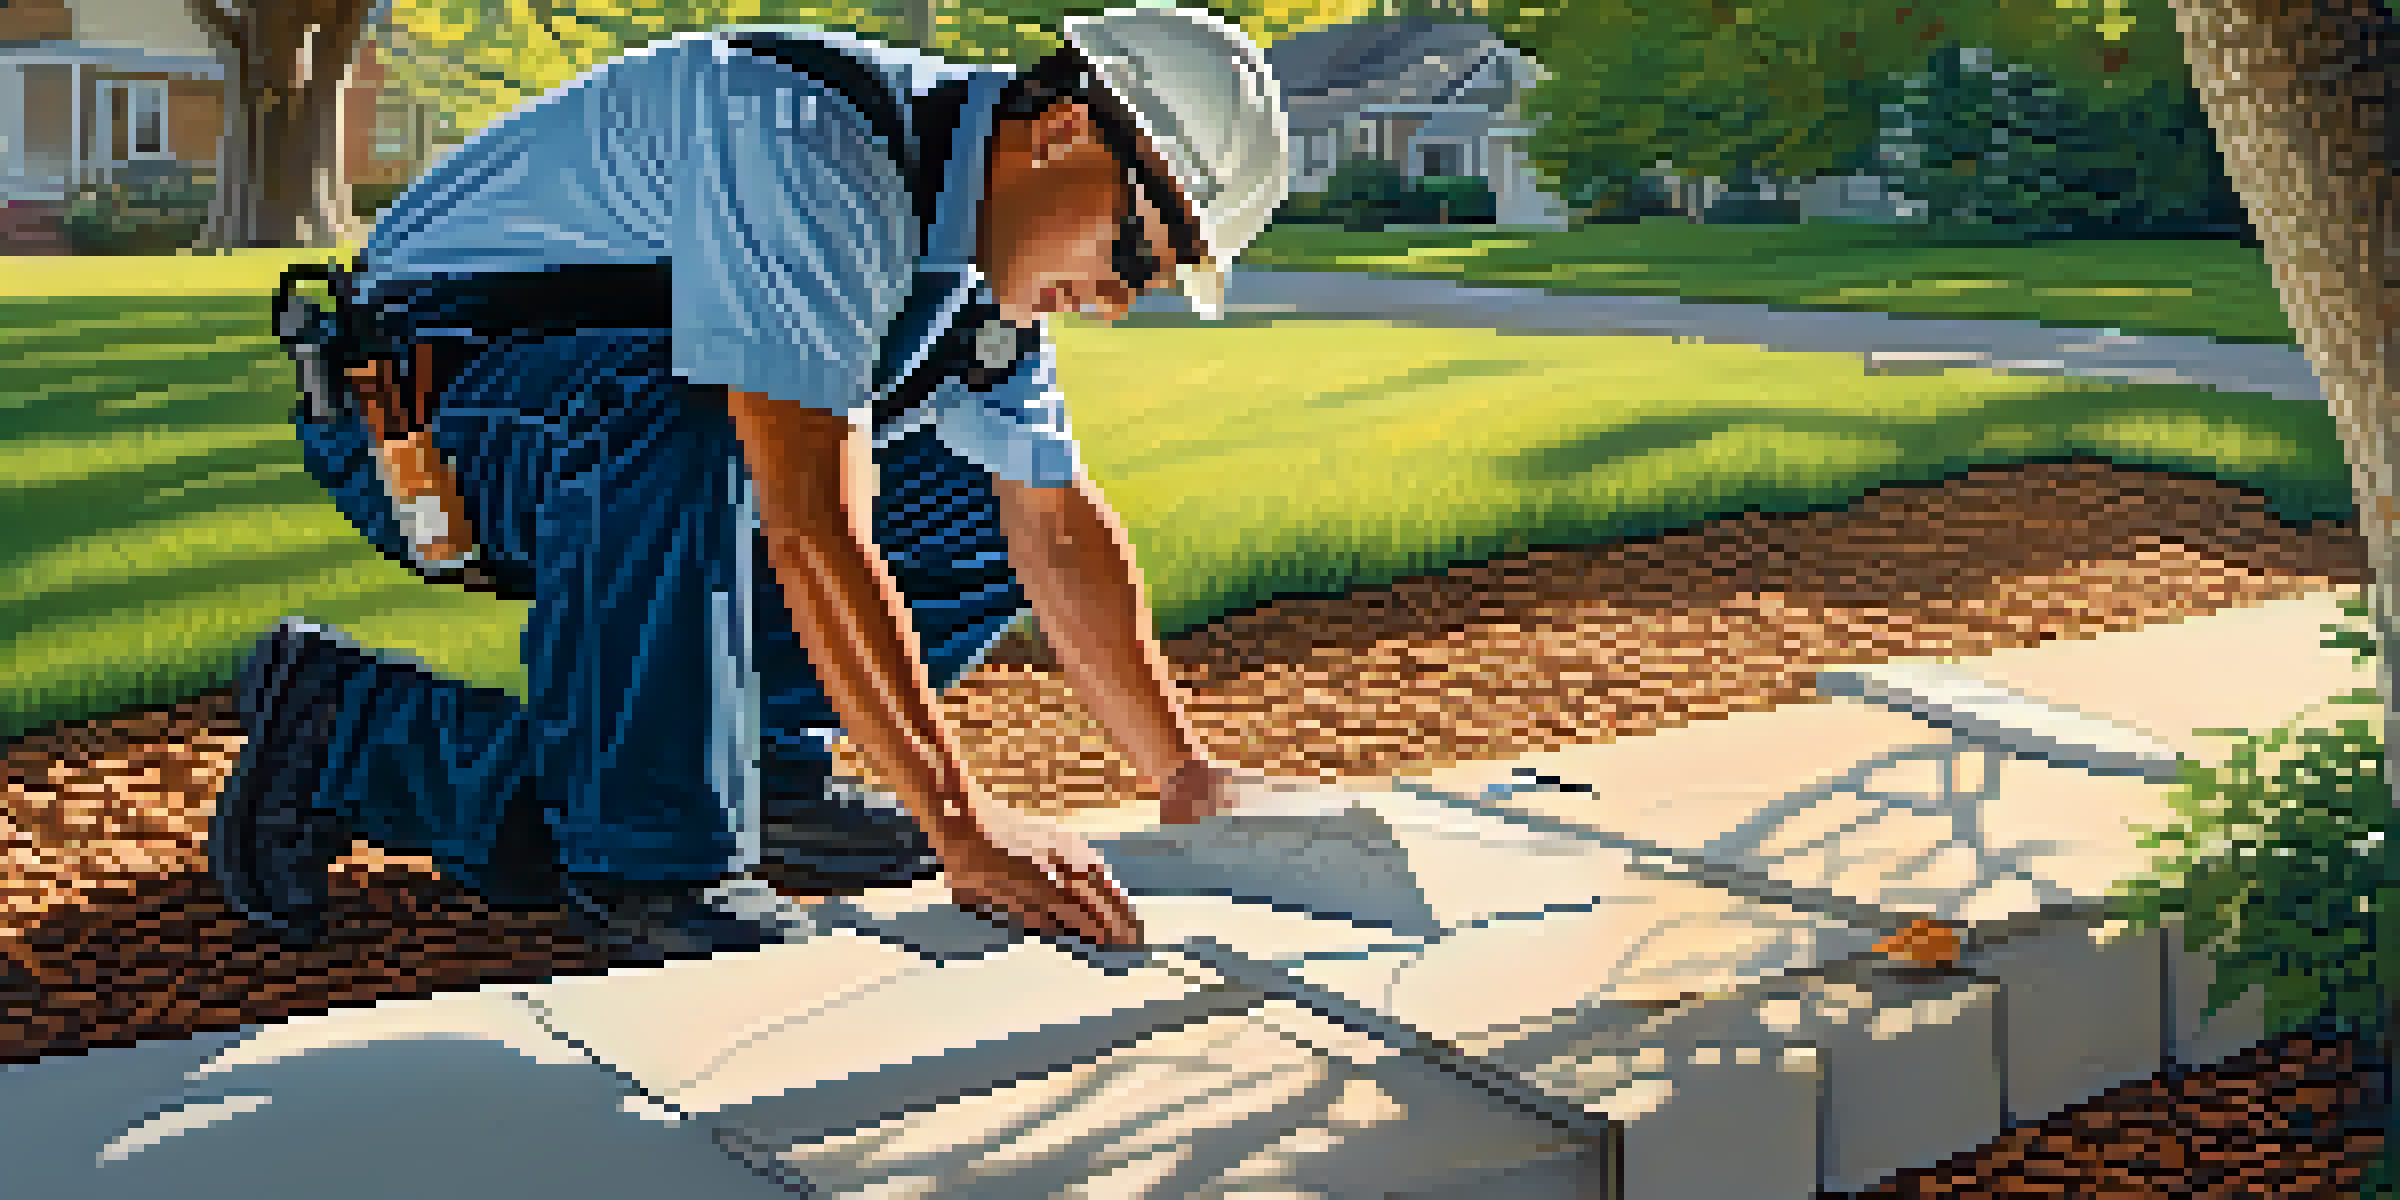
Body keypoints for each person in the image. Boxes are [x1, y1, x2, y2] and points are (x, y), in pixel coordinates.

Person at [221, 3, 1298, 962]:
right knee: (685, 432)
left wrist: (1184, 774)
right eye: (1135, 252)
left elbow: (1052, 521)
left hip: (621, 448)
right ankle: (381, 740)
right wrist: (962, 822)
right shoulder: (811, 147)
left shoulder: (978, 272)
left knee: (980, 503)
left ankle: (750, 772)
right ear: (1064, 131)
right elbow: (810, 520)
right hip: (435, 418)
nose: (1117, 300)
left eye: (1152, 284)